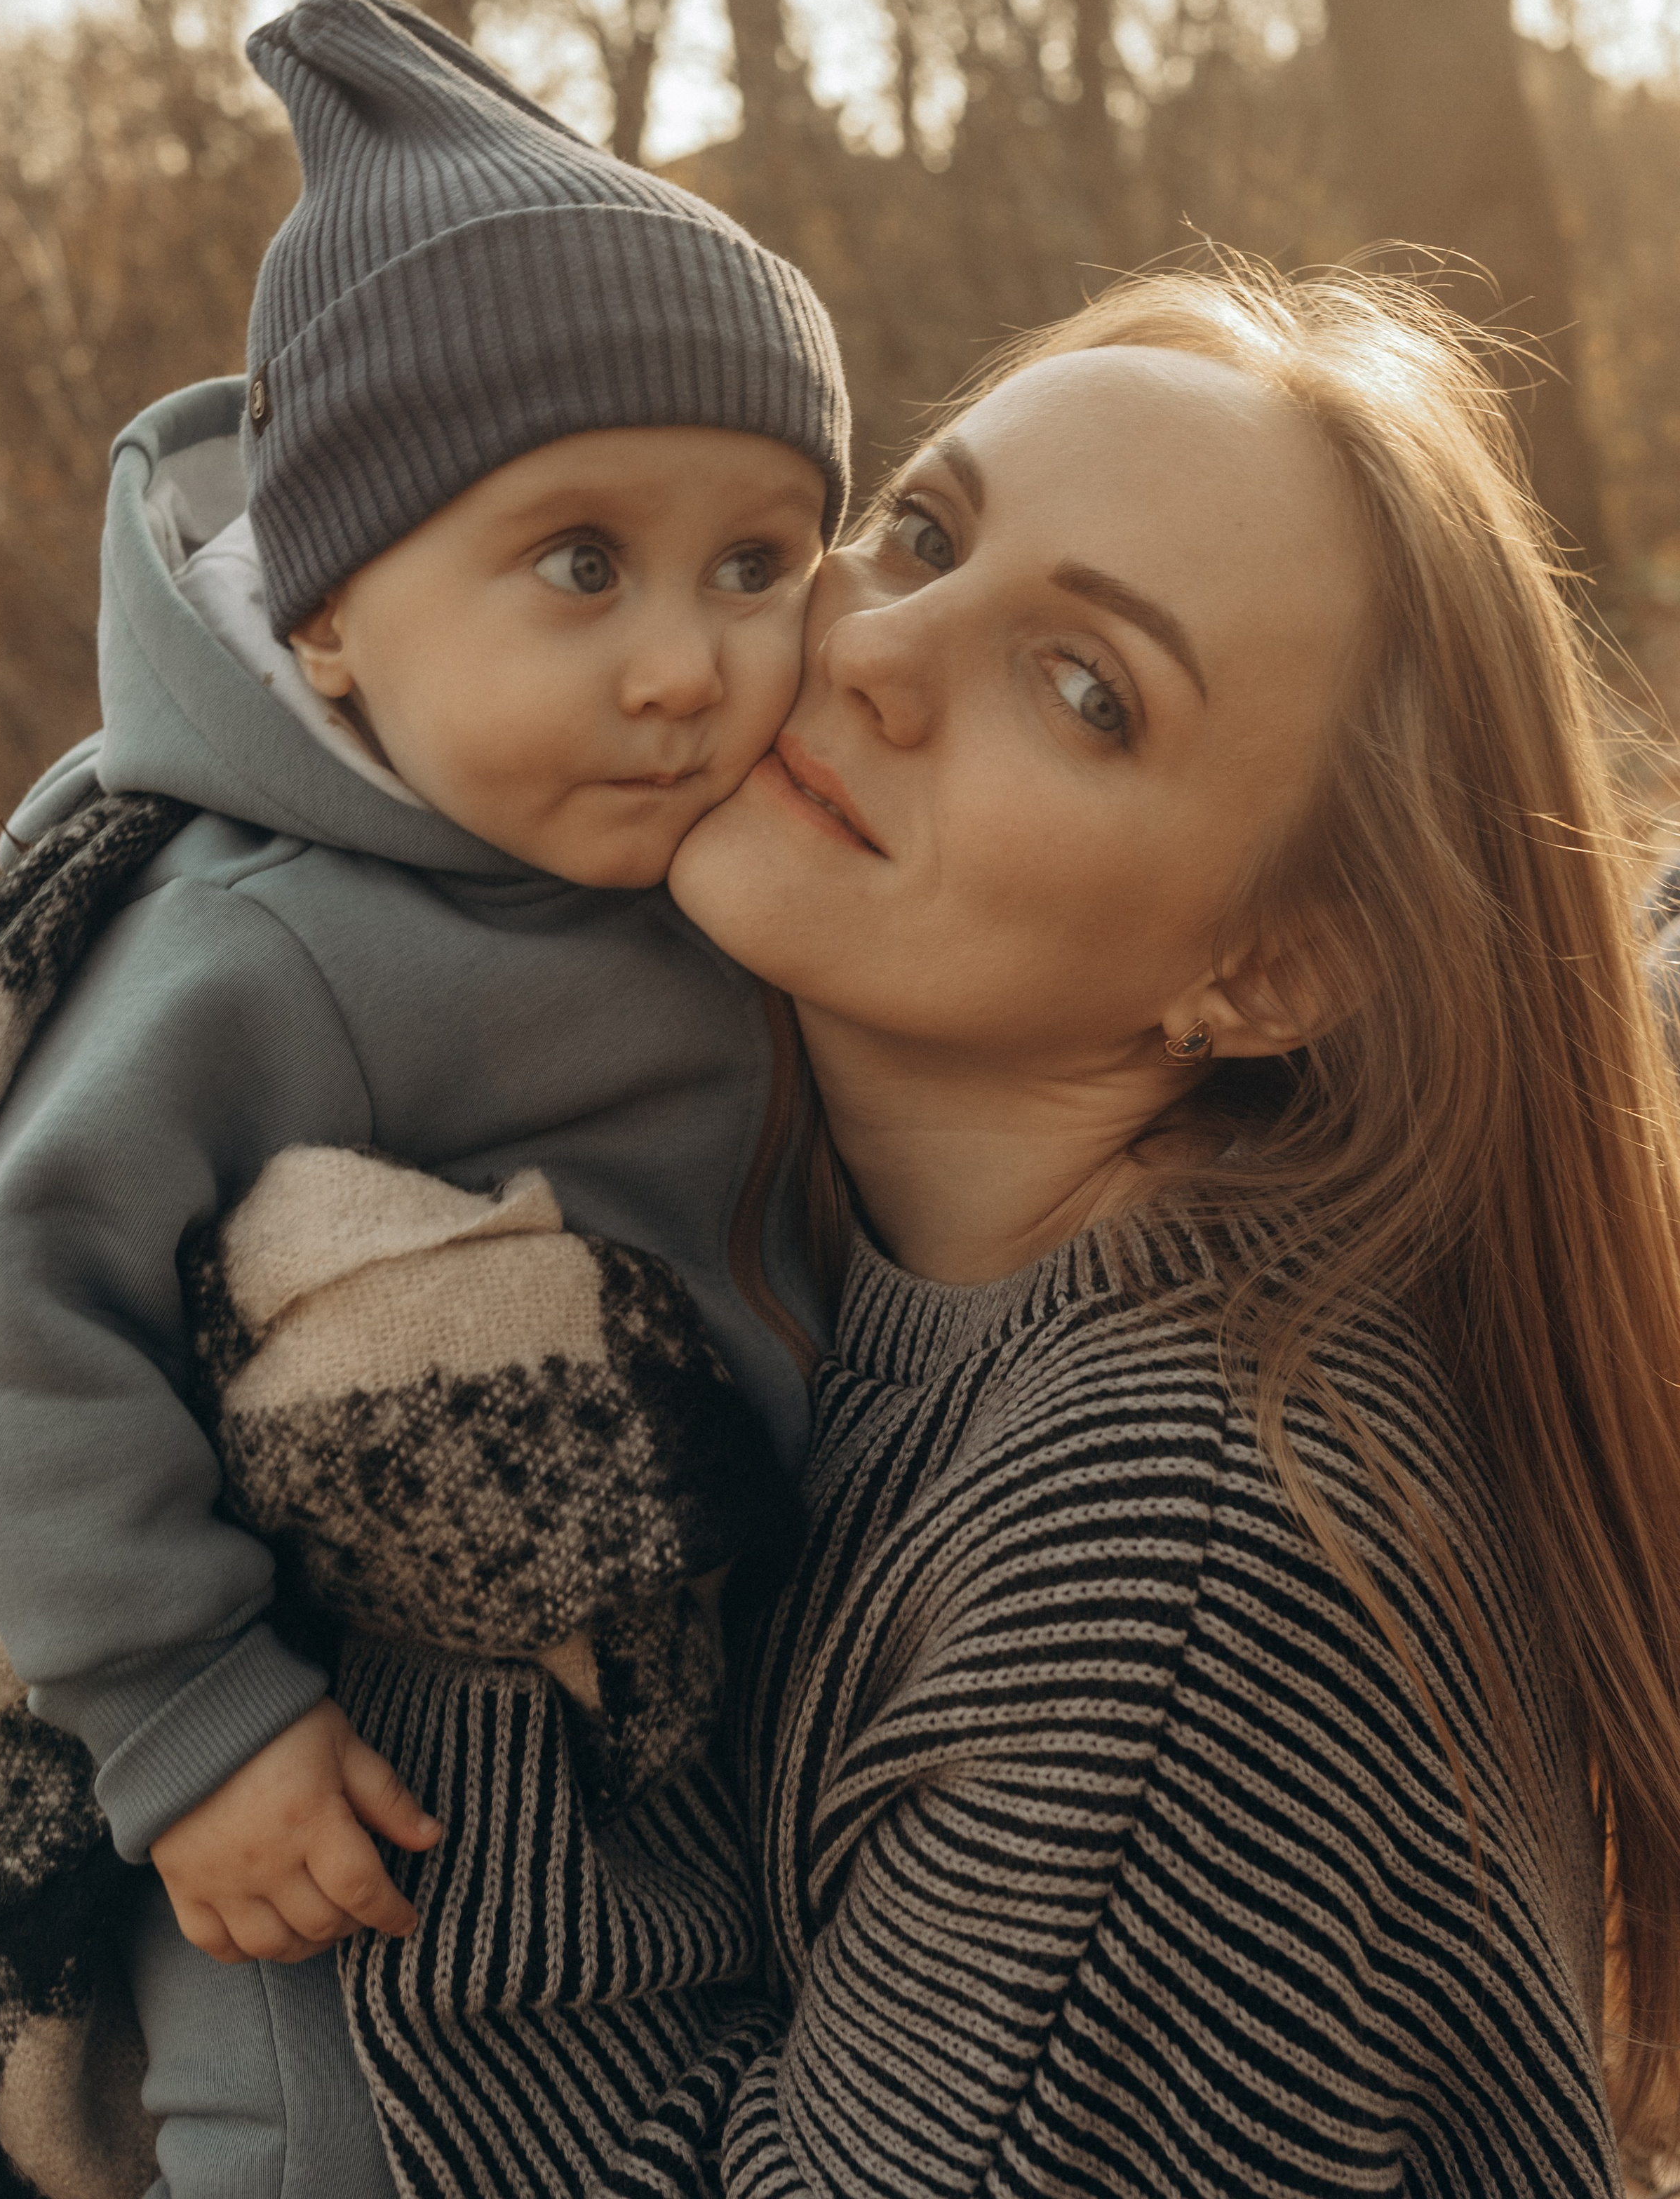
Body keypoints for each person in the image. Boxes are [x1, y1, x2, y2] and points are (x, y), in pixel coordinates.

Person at [353, 262, 1680, 2192]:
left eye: (1086, 691)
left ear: (1273, 966)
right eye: (922, 530)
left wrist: (448, 1578)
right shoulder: (827, 1270)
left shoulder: (1176, 1563)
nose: (877, 649)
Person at [0, 0, 849, 2199]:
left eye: (757, 564)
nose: (681, 661)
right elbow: (5, 1304)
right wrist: (188, 1716)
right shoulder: (276, 938)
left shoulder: (712, 873)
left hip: (659, 1816)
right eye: (578, 563)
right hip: (348, 1902)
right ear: (328, 614)